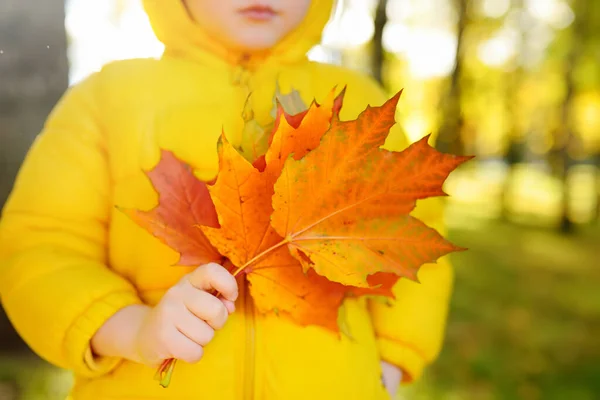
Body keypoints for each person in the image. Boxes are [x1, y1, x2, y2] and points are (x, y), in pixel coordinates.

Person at [0, 1, 454, 399]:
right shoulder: (109, 100)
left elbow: (410, 238)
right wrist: (133, 329)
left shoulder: (355, 101)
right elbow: (39, 247)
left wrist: (394, 360)